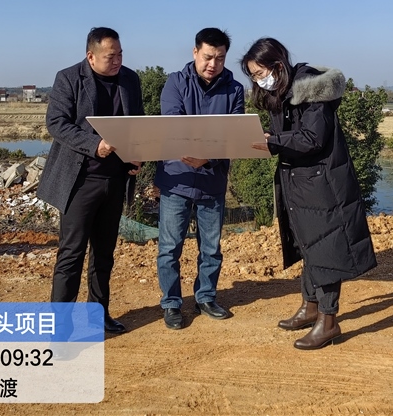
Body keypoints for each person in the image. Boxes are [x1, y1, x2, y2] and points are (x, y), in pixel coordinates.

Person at [242, 37, 376, 350]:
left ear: (277, 65)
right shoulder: (282, 91)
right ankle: (310, 306)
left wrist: (274, 142)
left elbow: (313, 138)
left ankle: (328, 321)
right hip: (301, 181)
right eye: (253, 76)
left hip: (322, 183)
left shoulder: (311, 90)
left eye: (260, 73)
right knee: (309, 245)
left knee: (325, 248)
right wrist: (270, 139)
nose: (258, 80)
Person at [37, 27, 143, 334]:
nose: (118, 61)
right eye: (111, 56)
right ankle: (60, 327)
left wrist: (138, 155)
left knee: (104, 255)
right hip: (79, 180)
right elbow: (56, 123)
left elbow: (137, 124)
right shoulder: (69, 78)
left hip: (115, 180)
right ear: (91, 56)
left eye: (120, 54)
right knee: (71, 254)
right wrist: (94, 144)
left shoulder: (130, 79)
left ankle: (98, 315)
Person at [155, 28, 245, 329]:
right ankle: (171, 303)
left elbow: (234, 134)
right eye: (208, 57)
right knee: (170, 247)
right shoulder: (175, 82)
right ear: (195, 52)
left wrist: (209, 156)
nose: (213, 64)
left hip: (212, 179)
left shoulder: (234, 90)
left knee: (211, 247)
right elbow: (174, 124)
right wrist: (200, 148)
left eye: (220, 58)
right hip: (176, 178)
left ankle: (205, 297)